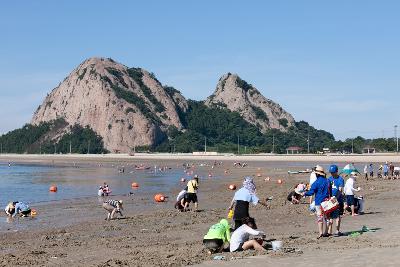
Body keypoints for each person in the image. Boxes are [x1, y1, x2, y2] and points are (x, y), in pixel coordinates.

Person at [304, 165, 330, 239]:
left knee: (320, 217)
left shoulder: (316, 182)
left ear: (317, 174)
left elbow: (311, 192)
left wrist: (304, 193)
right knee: (327, 218)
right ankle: (326, 232)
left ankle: (321, 233)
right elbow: (330, 191)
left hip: (318, 202)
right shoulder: (327, 181)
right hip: (326, 201)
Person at [327, 165, 345, 237]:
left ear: (336, 171)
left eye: (333, 172)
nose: (332, 174)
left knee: (338, 216)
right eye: (331, 172)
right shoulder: (329, 179)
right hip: (330, 200)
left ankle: (337, 231)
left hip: (338, 200)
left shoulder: (340, 179)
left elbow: (340, 190)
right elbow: (327, 189)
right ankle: (329, 231)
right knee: (330, 216)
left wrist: (335, 199)